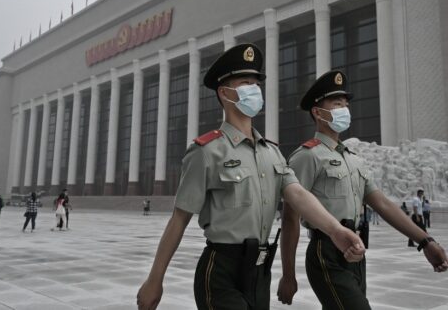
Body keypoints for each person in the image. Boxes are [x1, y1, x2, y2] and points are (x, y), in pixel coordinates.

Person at [137, 44, 365, 310]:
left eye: (256, 84)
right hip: (221, 273)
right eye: (246, 83)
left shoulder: (272, 153)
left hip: (259, 275)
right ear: (225, 92)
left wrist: (335, 230)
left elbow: (299, 195)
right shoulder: (207, 151)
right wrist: (155, 279)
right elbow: (179, 218)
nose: (255, 90)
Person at [278, 70, 448, 309]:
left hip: (356, 251)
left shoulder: (354, 160)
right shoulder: (307, 157)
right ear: (318, 112)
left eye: (345, 105)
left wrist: (425, 241)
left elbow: (383, 204)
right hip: (326, 252)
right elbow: (290, 219)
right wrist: (288, 275)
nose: (344, 110)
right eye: (337, 104)